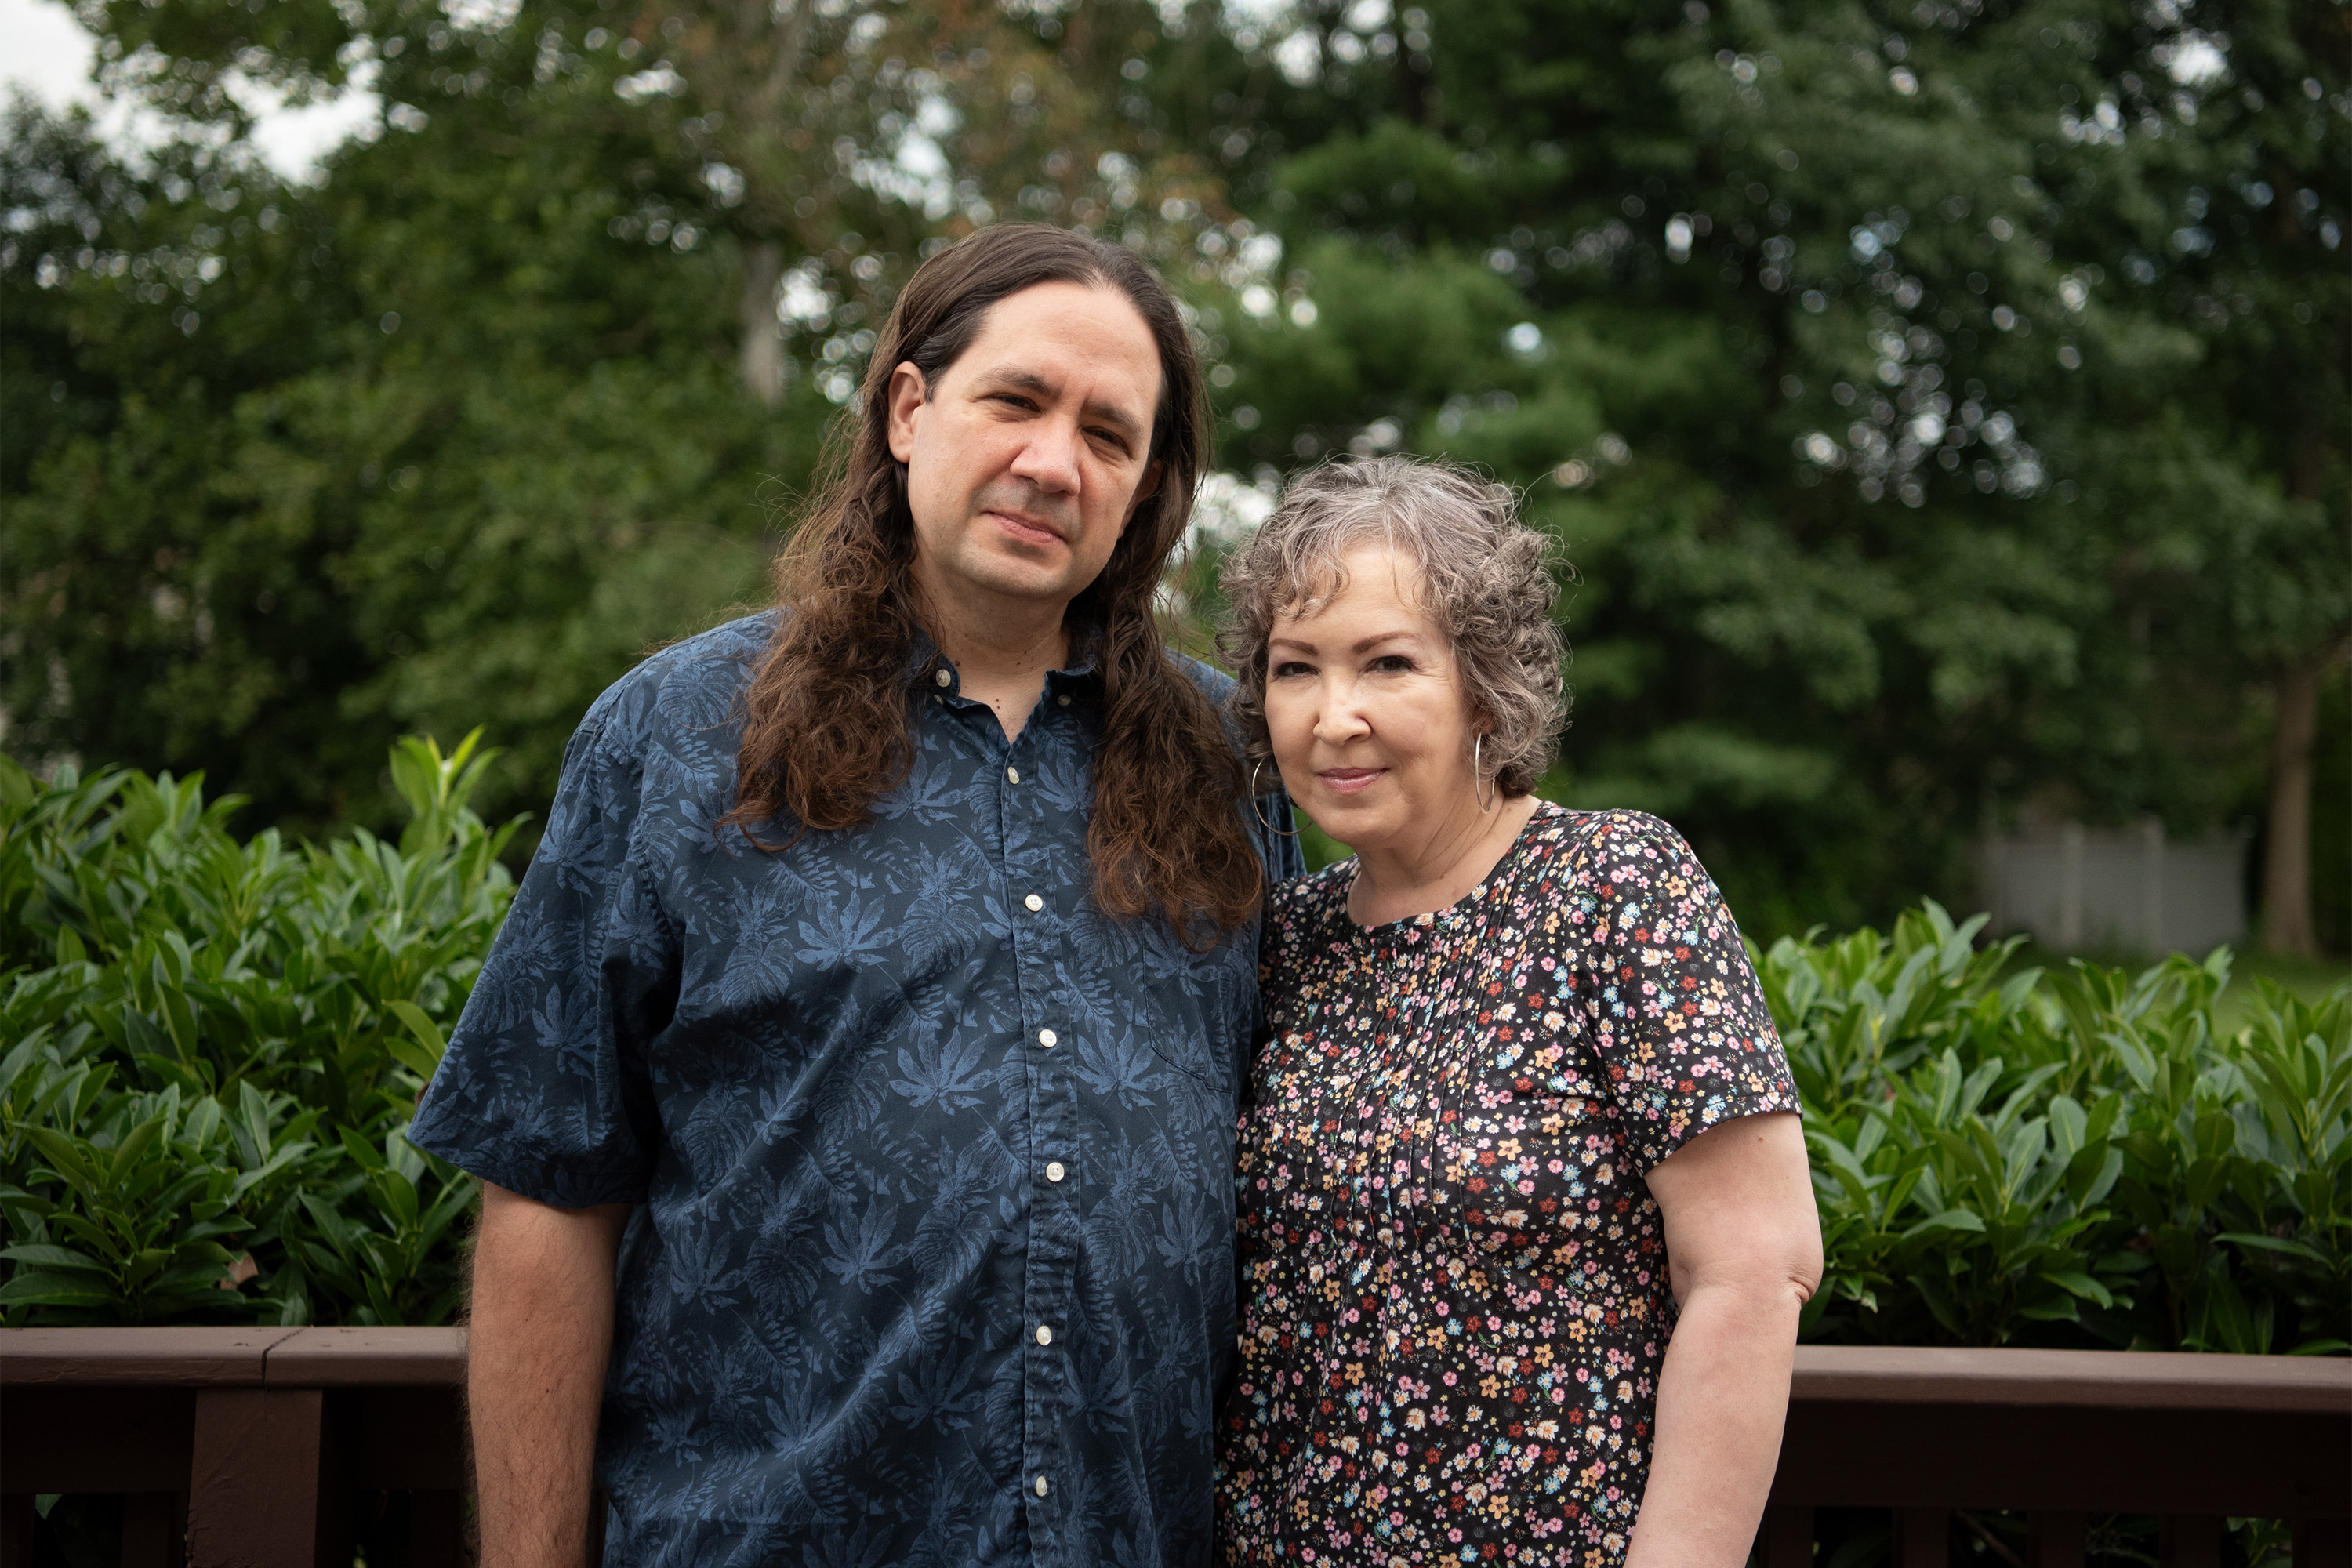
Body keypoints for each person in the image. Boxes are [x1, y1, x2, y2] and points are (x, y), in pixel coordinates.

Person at [408, 223, 1303, 1568]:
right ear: (908, 408)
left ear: (1144, 488)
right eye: (1017, 400)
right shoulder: (676, 735)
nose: (1054, 463)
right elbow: (547, 1191)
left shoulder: (1241, 767)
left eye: (1110, 436)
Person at [1210, 456, 1822, 1568]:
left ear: (1484, 685)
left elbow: (1752, 1269)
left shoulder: (1617, 887)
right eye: (1296, 669)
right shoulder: (1283, 942)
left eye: (1387, 663)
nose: (1334, 716)